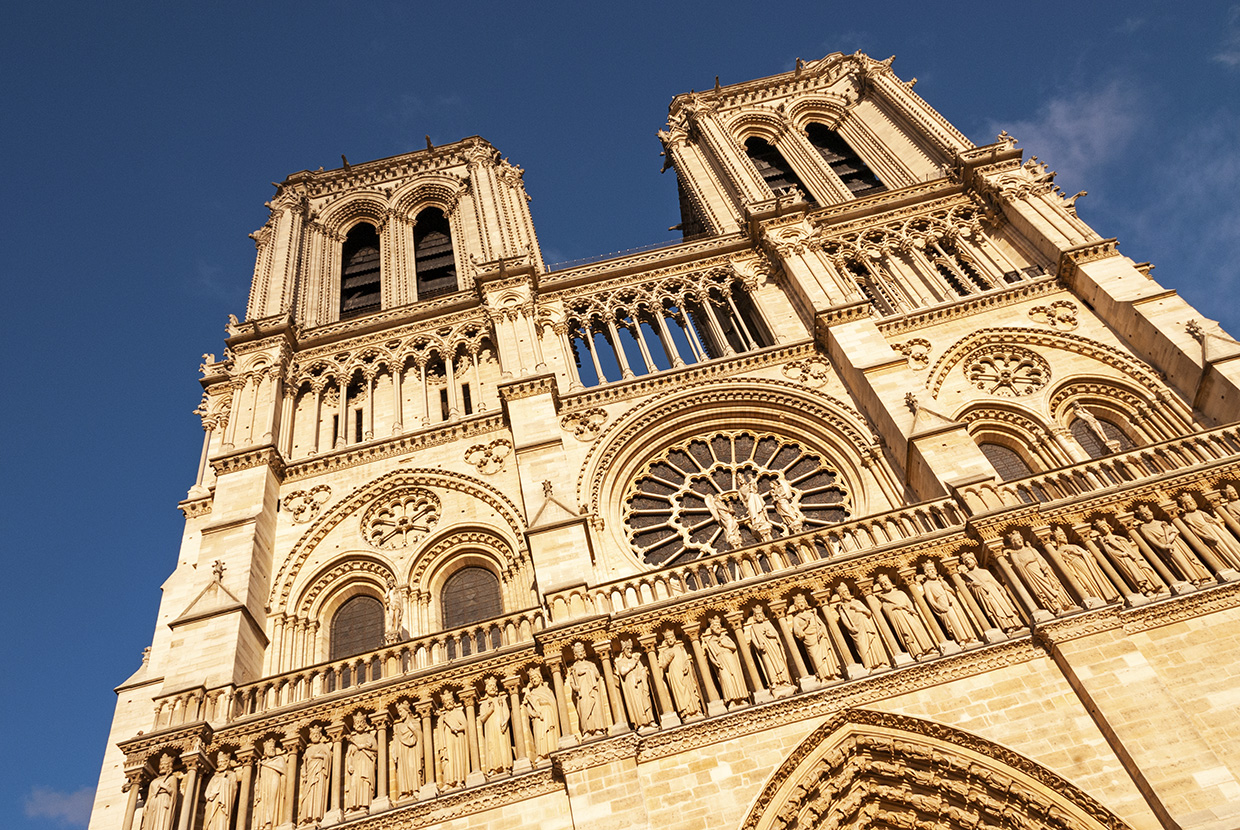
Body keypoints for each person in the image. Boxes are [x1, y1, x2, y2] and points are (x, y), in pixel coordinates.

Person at [1136, 504, 1212, 584]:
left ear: (1151, 512)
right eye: (1143, 514)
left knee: (1189, 558)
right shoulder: (1144, 528)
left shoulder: (1161, 522)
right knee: (1180, 561)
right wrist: (1163, 546)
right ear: (1141, 517)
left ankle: (1202, 576)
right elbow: (1151, 539)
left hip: (1176, 542)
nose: (1147, 514)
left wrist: (1171, 536)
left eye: (1147, 512)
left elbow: (1174, 531)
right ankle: (1193, 579)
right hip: (1167, 546)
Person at [1003, 530, 1076, 612]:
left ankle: (1065, 603)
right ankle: (1055, 607)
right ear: (1013, 543)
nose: (1019, 541)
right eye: (1016, 540)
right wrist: (1029, 560)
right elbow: (1019, 566)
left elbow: (1041, 559)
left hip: (1041, 570)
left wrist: (1044, 566)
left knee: (1053, 584)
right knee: (1042, 590)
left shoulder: (1031, 549)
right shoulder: (1014, 554)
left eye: (1020, 538)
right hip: (1032, 574)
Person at [1045, 525, 1111, 602]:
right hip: (1075, 567)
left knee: (1094, 580)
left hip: (1083, 564)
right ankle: (1093, 598)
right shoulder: (1057, 552)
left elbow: (1083, 554)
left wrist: (1087, 555)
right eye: (1061, 536)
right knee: (1086, 583)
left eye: (1064, 536)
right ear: (1057, 539)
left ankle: (1103, 597)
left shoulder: (1073, 546)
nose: (1064, 537)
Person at [958, 553, 1021, 632]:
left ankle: (1016, 623)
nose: (968, 562)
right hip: (986, 596)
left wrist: (1001, 589)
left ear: (974, 560)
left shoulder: (984, 571)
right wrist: (976, 585)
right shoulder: (969, 576)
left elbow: (993, 581)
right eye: (966, 562)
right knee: (995, 609)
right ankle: (1006, 627)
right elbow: (970, 589)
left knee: (1004, 606)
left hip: (994, 591)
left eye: (969, 560)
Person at [874, 574, 934, 658]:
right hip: (899, 619)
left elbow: (908, 602)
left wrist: (911, 609)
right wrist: (895, 607)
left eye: (886, 582)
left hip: (908, 614)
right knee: (906, 633)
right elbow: (887, 611)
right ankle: (916, 652)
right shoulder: (885, 600)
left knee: (917, 629)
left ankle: (928, 648)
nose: (885, 584)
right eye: (882, 584)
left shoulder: (900, 593)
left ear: (890, 582)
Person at [1177, 492, 1240, 569]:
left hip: (1214, 529)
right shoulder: (1186, 517)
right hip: (1207, 533)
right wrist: (1205, 536)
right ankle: (1235, 563)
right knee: (1222, 548)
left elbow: (1212, 520)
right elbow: (1193, 530)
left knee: (1230, 543)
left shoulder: (1200, 512)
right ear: (1185, 506)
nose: (1191, 504)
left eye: (1192, 502)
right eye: (1188, 503)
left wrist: (1216, 522)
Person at [921, 562, 979, 643]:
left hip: (952, 601)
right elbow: (930, 600)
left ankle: (970, 637)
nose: (932, 571)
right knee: (953, 621)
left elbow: (953, 591)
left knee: (961, 618)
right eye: (929, 570)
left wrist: (947, 588)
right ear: (926, 573)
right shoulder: (927, 584)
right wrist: (940, 608)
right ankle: (961, 639)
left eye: (933, 569)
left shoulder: (941, 581)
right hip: (942, 603)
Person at [833, 583, 885, 668]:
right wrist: (850, 628)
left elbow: (868, 612)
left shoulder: (856, 602)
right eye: (845, 593)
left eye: (848, 592)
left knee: (872, 643)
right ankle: (868, 665)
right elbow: (844, 619)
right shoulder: (843, 608)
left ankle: (880, 662)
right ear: (841, 596)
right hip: (856, 630)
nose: (848, 594)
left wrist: (859, 609)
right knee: (862, 646)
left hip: (865, 625)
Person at [789, 593, 838, 680]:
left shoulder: (812, 615)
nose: (801, 604)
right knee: (816, 658)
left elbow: (822, 625)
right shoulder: (796, 618)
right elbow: (797, 632)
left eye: (802, 602)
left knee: (826, 656)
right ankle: (823, 677)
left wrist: (821, 631)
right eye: (799, 603)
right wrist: (805, 625)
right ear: (796, 606)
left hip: (819, 637)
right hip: (809, 640)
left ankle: (832, 674)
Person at [702, 615, 748, 706]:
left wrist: (724, 644)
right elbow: (711, 655)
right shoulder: (711, 642)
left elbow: (734, 647)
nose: (718, 627)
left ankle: (741, 698)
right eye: (715, 626)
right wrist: (715, 662)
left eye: (719, 626)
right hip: (721, 661)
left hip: (730, 658)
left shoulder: (725, 637)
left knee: (735, 676)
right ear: (711, 629)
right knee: (726, 679)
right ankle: (731, 700)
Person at [567, 641, 609, 737]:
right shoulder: (574, 668)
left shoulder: (591, 664)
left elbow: (597, 675)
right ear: (575, 655)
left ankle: (598, 728)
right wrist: (575, 688)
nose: (580, 653)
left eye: (582, 651)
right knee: (584, 709)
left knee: (595, 708)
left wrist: (587, 671)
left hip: (592, 690)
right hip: (583, 692)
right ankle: (587, 730)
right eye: (578, 652)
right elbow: (572, 682)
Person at [657, 629, 702, 717]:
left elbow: (686, 660)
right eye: (668, 638)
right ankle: (685, 712)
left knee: (689, 689)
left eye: (672, 637)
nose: (670, 640)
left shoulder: (680, 648)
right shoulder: (665, 652)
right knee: (679, 692)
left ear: (674, 638)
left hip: (684, 673)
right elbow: (662, 666)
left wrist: (686, 666)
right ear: (666, 641)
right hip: (674, 673)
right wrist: (668, 658)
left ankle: (695, 709)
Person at [744, 605, 791, 687]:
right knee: (769, 664)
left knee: (779, 662)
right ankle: (774, 681)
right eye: (757, 615)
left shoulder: (768, 623)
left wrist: (771, 635)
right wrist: (759, 646)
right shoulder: (753, 627)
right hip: (765, 650)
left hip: (773, 646)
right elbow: (754, 639)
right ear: (755, 617)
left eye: (760, 614)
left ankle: (784, 680)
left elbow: (776, 634)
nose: (759, 616)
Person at [614, 638, 655, 729]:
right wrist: (633, 664)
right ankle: (641, 723)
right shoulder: (621, 662)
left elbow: (642, 670)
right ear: (623, 650)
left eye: (630, 649)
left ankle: (650, 720)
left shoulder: (636, 660)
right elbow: (623, 671)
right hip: (630, 686)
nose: (630, 651)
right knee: (636, 703)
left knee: (644, 700)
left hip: (640, 684)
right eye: (627, 649)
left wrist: (641, 677)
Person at [522, 669, 559, 762]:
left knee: (549, 732)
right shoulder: (531, 693)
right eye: (532, 678)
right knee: (539, 734)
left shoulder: (547, 690)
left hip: (548, 714)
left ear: (540, 678)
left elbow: (553, 703)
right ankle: (541, 754)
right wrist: (535, 714)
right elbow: (529, 709)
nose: (534, 680)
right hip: (538, 718)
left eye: (535, 677)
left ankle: (552, 750)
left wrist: (546, 703)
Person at [478, 677, 512, 775]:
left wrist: (505, 722)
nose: (492, 688)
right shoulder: (484, 704)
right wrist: (489, 711)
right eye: (490, 686)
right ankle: (494, 767)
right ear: (486, 689)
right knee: (492, 746)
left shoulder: (501, 700)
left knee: (502, 744)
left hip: (500, 728)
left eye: (494, 686)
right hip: (490, 729)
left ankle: (505, 765)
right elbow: (482, 719)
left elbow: (506, 712)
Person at [298, 725, 332, 822]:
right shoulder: (308, 750)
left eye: (317, 734)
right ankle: (306, 818)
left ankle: (317, 816)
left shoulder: (324, 747)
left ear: (320, 735)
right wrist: (304, 773)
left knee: (318, 793)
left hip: (320, 774)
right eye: (313, 734)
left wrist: (319, 756)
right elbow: (304, 764)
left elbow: (328, 758)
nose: (315, 736)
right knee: (308, 795)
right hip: (310, 775)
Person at [344, 711, 377, 810]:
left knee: (365, 783)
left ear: (365, 724)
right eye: (357, 723)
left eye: (361, 722)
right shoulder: (352, 741)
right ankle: (352, 806)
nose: (359, 725)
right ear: (354, 725)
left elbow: (376, 749)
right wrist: (349, 765)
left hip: (366, 765)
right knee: (354, 784)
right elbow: (349, 755)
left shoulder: (369, 737)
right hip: (356, 766)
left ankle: (364, 804)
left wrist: (365, 747)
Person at [436, 691, 469, 787]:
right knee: (448, 759)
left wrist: (458, 729)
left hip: (458, 739)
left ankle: (459, 779)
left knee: (457, 757)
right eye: (446, 701)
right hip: (448, 741)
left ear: (454, 701)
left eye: (450, 700)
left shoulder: (458, 713)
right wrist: (442, 718)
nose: (449, 702)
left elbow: (465, 725)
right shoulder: (444, 717)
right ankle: (449, 781)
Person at [391, 700, 422, 800]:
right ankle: (405, 791)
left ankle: (416, 789)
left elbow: (419, 737)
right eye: (399, 712)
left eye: (401, 711)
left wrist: (413, 729)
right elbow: (396, 741)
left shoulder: (415, 723)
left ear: (407, 711)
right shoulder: (399, 727)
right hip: (402, 753)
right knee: (403, 770)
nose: (400, 714)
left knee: (413, 767)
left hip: (412, 751)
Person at [252, 739, 284, 830]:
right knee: (263, 803)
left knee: (272, 801)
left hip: (274, 781)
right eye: (270, 747)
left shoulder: (279, 760)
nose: (272, 749)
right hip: (264, 786)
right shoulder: (262, 764)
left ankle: (272, 824)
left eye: (273, 747)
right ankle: (263, 825)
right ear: (265, 750)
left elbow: (285, 774)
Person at [141, 754, 180, 830]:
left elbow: (174, 793)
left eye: (164, 765)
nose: (162, 766)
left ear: (169, 766)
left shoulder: (171, 778)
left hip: (163, 802)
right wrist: (146, 805)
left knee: (161, 823)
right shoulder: (154, 781)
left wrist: (166, 787)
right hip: (153, 803)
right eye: (161, 764)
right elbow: (149, 796)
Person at [204, 751, 238, 830]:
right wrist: (210, 796)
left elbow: (234, 789)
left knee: (221, 820)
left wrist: (224, 781)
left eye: (222, 762)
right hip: (212, 802)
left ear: (227, 762)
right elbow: (208, 791)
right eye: (219, 762)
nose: (220, 764)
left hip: (223, 803)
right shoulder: (214, 777)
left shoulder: (231, 775)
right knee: (210, 822)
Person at [738, 472, 774, 542]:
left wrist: (752, 479)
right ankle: (756, 522)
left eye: (742, 478)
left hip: (754, 498)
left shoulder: (749, 485)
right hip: (749, 502)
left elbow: (754, 487)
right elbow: (743, 500)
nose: (741, 480)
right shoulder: (739, 491)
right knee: (753, 512)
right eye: (739, 480)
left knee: (759, 510)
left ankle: (761, 521)